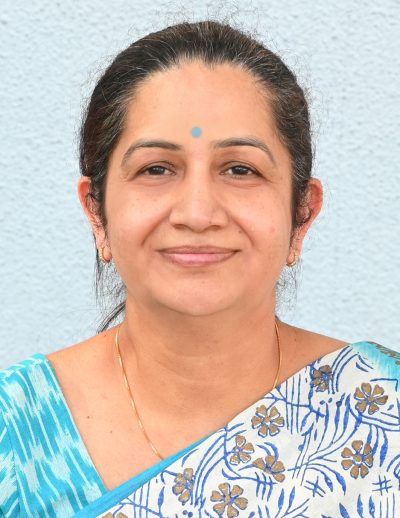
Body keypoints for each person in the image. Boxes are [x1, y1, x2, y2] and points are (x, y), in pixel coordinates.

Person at [1, 19, 399, 518]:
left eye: (240, 169)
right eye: (156, 169)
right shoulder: (15, 434)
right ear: (96, 212)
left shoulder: (382, 410)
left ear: (302, 213)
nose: (197, 213)